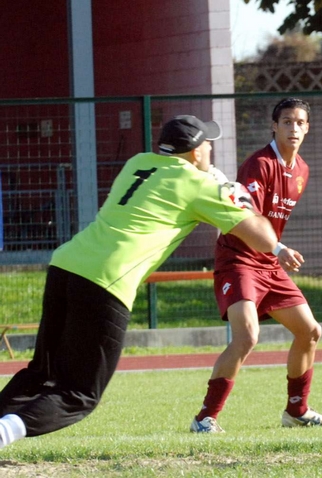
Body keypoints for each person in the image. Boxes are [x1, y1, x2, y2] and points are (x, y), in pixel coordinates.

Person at [0, 115, 278, 449]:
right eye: (207, 143)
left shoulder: (139, 162)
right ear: (194, 153)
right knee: (80, 394)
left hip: (66, 263)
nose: (210, 148)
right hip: (107, 279)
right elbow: (263, 238)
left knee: (40, 373)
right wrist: (239, 196)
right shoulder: (200, 184)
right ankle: (5, 432)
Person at [191, 98, 322, 433]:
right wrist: (280, 247)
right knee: (247, 337)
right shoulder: (259, 163)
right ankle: (204, 419)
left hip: (269, 263)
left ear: (307, 128)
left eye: (300, 123)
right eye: (287, 122)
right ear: (274, 126)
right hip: (239, 259)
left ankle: (296, 411)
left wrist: (275, 252)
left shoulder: (302, 169)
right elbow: (248, 217)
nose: (294, 128)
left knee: (310, 331)